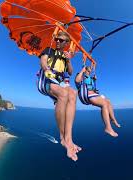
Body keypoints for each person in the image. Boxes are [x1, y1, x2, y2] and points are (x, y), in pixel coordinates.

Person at [37, 31, 81, 161]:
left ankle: (69, 138)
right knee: (63, 93)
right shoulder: (48, 50)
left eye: (61, 40)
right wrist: (47, 70)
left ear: (66, 43)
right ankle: (63, 138)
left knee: (73, 93)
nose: (57, 41)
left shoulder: (65, 55)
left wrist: (68, 60)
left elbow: (71, 72)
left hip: (60, 82)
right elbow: (43, 61)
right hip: (47, 80)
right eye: (57, 39)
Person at [75, 66, 121, 137]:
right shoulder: (82, 76)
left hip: (93, 95)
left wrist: (94, 80)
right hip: (86, 96)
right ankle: (108, 128)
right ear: (86, 69)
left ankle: (113, 119)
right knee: (104, 104)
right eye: (89, 68)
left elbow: (92, 87)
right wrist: (82, 70)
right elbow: (77, 81)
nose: (91, 68)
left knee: (108, 101)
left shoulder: (90, 78)